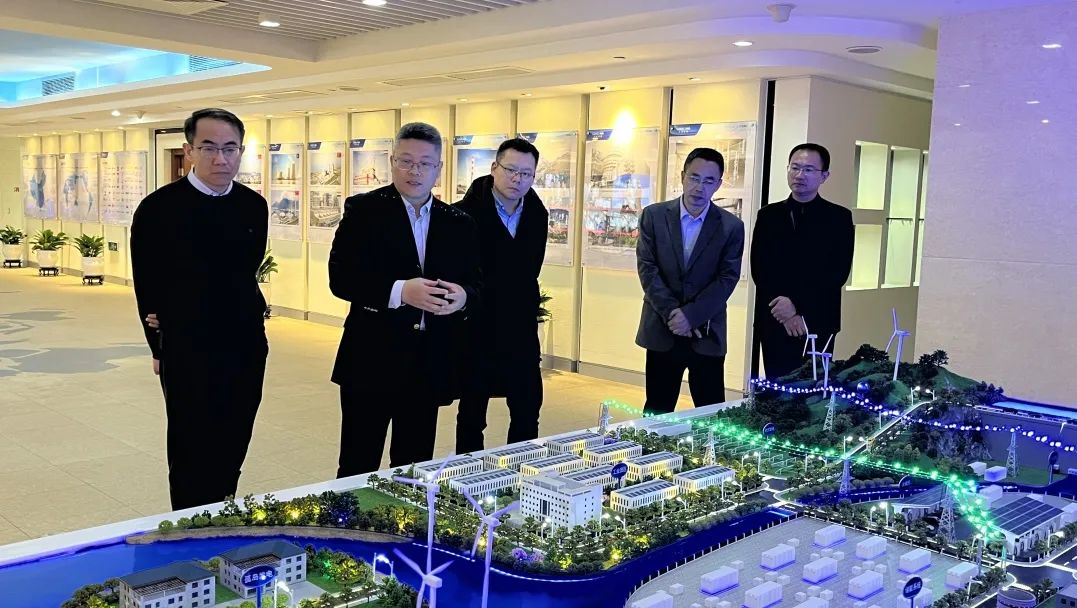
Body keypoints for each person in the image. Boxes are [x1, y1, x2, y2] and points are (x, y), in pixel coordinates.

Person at [131, 108, 269, 510]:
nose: (220, 158)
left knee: (235, 436)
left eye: (230, 148)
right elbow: (147, 285)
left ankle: (222, 512)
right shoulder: (159, 208)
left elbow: (244, 273)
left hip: (244, 343)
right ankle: (189, 525)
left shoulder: (252, 206)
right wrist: (158, 346)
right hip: (187, 346)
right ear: (189, 150)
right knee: (191, 444)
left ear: (241, 151)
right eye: (209, 148)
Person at [329, 122, 482, 477]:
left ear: (438, 168)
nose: (415, 171)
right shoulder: (364, 211)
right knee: (357, 463)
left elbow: (476, 283)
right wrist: (400, 291)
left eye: (425, 163)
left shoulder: (458, 222)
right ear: (392, 161)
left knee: (413, 466)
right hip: (371, 358)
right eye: (406, 161)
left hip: (427, 362)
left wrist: (463, 297)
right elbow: (342, 278)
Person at [454, 138, 549, 453]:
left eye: (526, 174)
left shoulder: (537, 214)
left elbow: (531, 270)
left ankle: (520, 472)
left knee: (527, 409)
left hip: (520, 327)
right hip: (477, 327)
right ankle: (468, 473)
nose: (517, 179)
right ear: (494, 167)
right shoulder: (463, 214)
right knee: (472, 415)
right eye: (510, 170)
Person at [636, 147, 744, 415]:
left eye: (709, 181)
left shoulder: (731, 226)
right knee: (657, 411)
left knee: (711, 414)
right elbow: (648, 269)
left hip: (706, 331)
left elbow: (727, 278)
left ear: (718, 184)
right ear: (683, 176)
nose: (699, 187)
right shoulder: (654, 216)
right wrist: (674, 314)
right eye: (694, 178)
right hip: (663, 328)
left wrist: (691, 316)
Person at [750, 143, 854, 378]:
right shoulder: (768, 215)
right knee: (777, 388)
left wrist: (797, 307)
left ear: (824, 176)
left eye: (808, 170)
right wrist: (785, 312)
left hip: (818, 319)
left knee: (813, 389)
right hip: (775, 318)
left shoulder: (838, 218)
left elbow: (837, 272)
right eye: (794, 168)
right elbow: (760, 269)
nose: (799, 175)